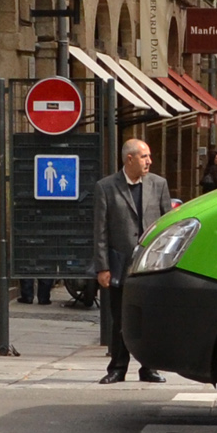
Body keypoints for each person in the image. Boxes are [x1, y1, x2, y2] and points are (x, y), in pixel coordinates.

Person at [93, 138, 170, 385]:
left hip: (151, 266)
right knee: (120, 319)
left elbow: (167, 225)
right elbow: (100, 231)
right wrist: (102, 267)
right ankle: (117, 368)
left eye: (149, 156)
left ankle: (149, 368)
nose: (149, 161)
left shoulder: (158, 184)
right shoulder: (106, 187)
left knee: (151, 319)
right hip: (120, 265)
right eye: (144, 156)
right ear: (129, 159)